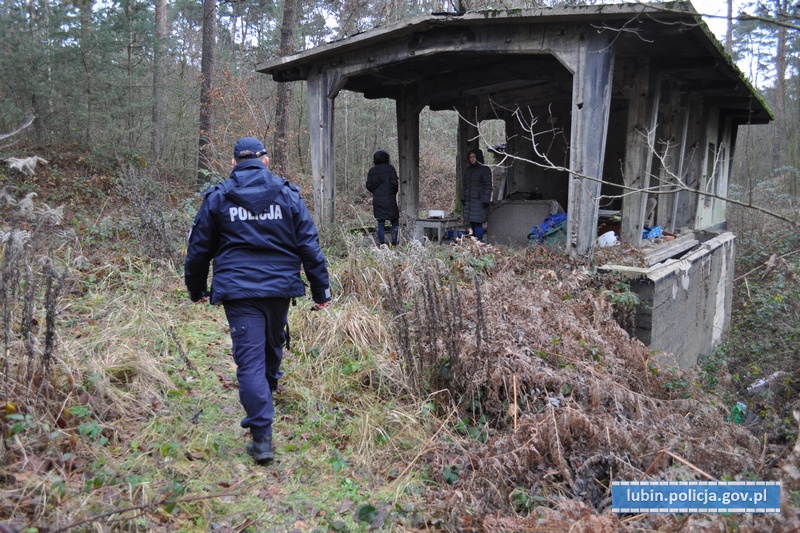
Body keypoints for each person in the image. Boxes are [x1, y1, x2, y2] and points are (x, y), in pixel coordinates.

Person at [184, 136, 331, 464]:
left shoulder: (219, 197)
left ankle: (262, 408)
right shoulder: (288, 195)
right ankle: (262, 433)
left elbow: (199, 249)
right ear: (265, 161)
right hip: (278, 289)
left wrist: (196, 288)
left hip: (239, 291)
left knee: (253, 358)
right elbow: (309, 244)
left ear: (234, 163)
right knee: (269, 346)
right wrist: (321, 292)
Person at [365, 149, 400, 246]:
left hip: (378, 199)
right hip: (390, 198)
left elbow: (368, 185)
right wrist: (392, 192)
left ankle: (382, 244)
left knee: (380, 221)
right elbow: (394, 183)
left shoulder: (372, 171)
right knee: (395, 220)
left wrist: (376, 192)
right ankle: (394, 242)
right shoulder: (390, 168)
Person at [461, 148, 493, 241]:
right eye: (470, 157)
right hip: (469, 201)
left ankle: (479, 243)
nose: (472, 159)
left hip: (479, 201)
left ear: (478, 157)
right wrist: (463, 197)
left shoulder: (484, 170)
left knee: (478, 223)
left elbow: (488, 186)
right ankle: (474, 244)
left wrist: (486, 200)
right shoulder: (468, 170)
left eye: (474, 157)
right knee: (472, 223)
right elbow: (465, 185)